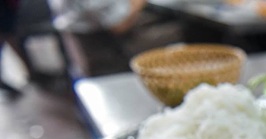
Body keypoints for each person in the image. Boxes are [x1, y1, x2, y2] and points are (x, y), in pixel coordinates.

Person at [48, 0, 180, 77]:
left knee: (161, 19)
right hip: (108, 54)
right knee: (189, 30)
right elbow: (120, 24)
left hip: (98, 39)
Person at [0, 0, 25, 95]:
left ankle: (31, 74)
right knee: (9, 38)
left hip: (8, 9)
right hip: (5, 9)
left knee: (11, 38)